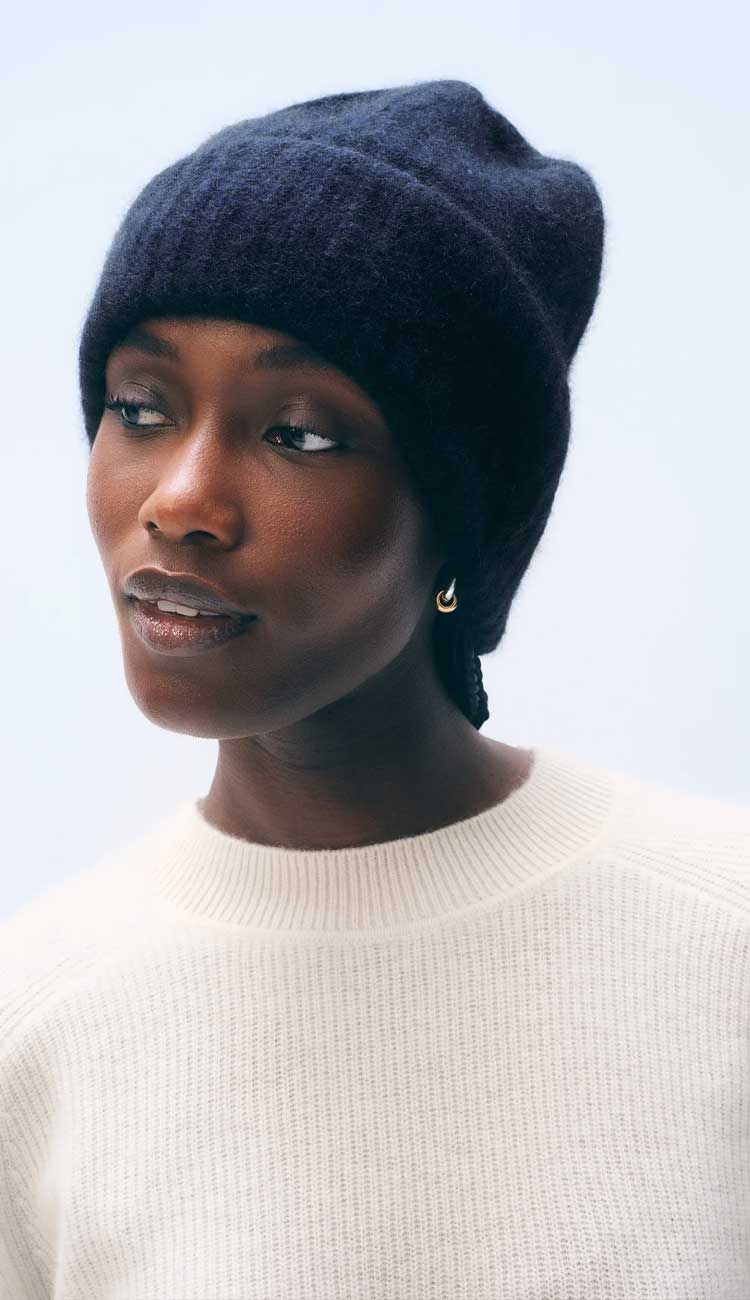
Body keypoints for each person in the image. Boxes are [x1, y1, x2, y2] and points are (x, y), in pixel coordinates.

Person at [1, 78, 748, 1300]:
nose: (177, 499)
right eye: (140, 407)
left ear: (463, 522)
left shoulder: (726, 940)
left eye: (297, 431)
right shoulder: (32, 1028)